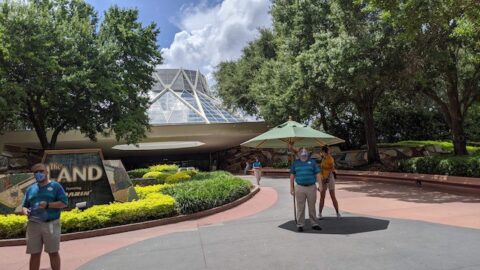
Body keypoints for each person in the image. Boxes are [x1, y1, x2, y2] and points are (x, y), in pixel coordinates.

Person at [22, 163, 68, 270]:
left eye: (41, 171)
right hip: (33, 225)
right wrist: (26, 211)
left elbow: (64, 203)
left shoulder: (56, 186)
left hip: (51, 224)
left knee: (53, 252)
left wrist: (48, 205)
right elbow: (24, 206)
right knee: (34, 254)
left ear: (47, 172)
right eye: (36, 172)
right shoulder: (30, 189)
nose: (39, 174)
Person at [290, 148, 322, 232]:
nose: (303, 153)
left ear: (308, 153)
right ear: (298, 154)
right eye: (301, 151)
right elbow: (292, 175)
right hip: (300, 187)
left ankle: (314, 223)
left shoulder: (312, 162)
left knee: (312, 206)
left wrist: (320, 185)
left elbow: (318, 174)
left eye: (305, 151)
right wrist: (291, 187)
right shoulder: (295, 163)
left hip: (311, 187)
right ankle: (300, 224)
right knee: (300, 207)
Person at [318, 146, 341, 219]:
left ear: (325, 152)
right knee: (322, 197)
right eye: (328, 150)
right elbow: (321, 169)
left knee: (332, 196)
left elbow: (332, 169)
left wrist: (327, 178)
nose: (329, 151)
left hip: (330, 178)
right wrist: (321, 181)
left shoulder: (330, 158)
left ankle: (337, 213)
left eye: (323, 151)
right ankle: (320, 213)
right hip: (323, 178)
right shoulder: (323, 159)